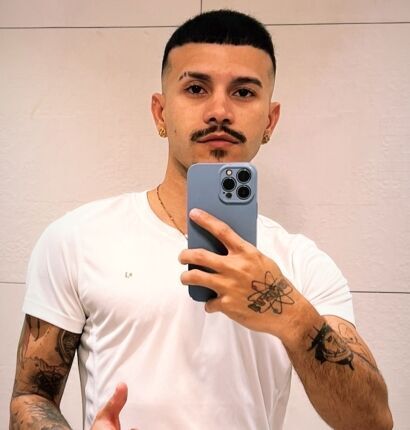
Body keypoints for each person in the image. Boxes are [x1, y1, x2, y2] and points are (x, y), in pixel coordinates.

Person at [9, 9, 392, 430]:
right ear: (160, 113)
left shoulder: (302, 264)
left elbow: (373, 421)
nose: (220, 111)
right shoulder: (77, 238)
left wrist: (288, 312)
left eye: (243, 92)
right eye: (196, 88)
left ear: (270, 121)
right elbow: (31, 397)